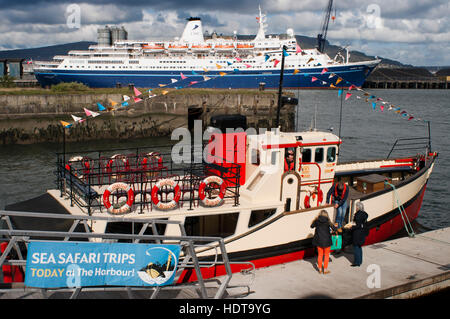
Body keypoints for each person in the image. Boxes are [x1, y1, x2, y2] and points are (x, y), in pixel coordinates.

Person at [310, 210, 338, 274]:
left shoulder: (317, 221)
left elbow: (311, 226)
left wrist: (315, 219)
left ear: (319, 214)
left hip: (319, 240)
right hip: (327, 241)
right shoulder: (328, 221)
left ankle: (319, 269)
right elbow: (334, 229)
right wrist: (335, 226)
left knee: (320, 255)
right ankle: (325, 270)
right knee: (326, 255)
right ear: (326, 215)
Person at [344, 202, 369, 267]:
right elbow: (361, 224)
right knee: (359, 247)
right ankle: (360, 261)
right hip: (362, 233)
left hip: (357, 234)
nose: (356, 208)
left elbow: (357, 225)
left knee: (356, 248)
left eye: (356, 207)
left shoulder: (358, 215)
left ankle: (356, 262)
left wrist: (351, 227)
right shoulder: (364, 214)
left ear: (358, 207)